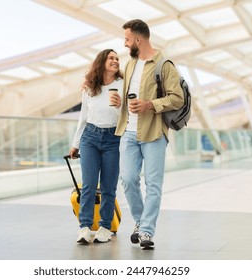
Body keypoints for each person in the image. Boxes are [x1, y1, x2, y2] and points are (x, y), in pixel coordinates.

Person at [115, 19, 184, 249]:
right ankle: (140, 220)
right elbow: (128, 98)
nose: (125, 44)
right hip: (128, 132)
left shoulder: (163, 65)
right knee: (128, 179)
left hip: (154, 133)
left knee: (153, 184)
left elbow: (177, 98)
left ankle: (146, 231)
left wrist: (150, 105)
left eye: (127, 39)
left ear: (138, 39)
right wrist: (118, 102)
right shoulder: (129, 65)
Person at [69, 49, 123, 244]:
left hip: (113, 138)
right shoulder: (89, 87)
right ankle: (84, 227)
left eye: (117, 58)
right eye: (111, 58)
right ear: (102, 61)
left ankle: (105, 227)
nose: (116, 61)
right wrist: (75, 144)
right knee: (89, 185)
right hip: (90, 137)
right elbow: (83, 118)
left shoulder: (122, 86)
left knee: (109, 187)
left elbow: (125, 118)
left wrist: (118, 106)